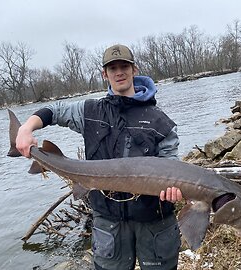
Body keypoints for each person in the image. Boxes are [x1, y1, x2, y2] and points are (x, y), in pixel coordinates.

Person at [15, 44, 183, 270]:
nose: (119, 72)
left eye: (124, 66)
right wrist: (26, 129)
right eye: (112, 68)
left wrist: (174, 192)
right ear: (105, 74)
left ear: (135, 70)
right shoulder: (90, 112)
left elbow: (172, 167)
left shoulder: (161, 121)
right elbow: (54, 112)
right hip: (108, 221)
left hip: (155, 220)